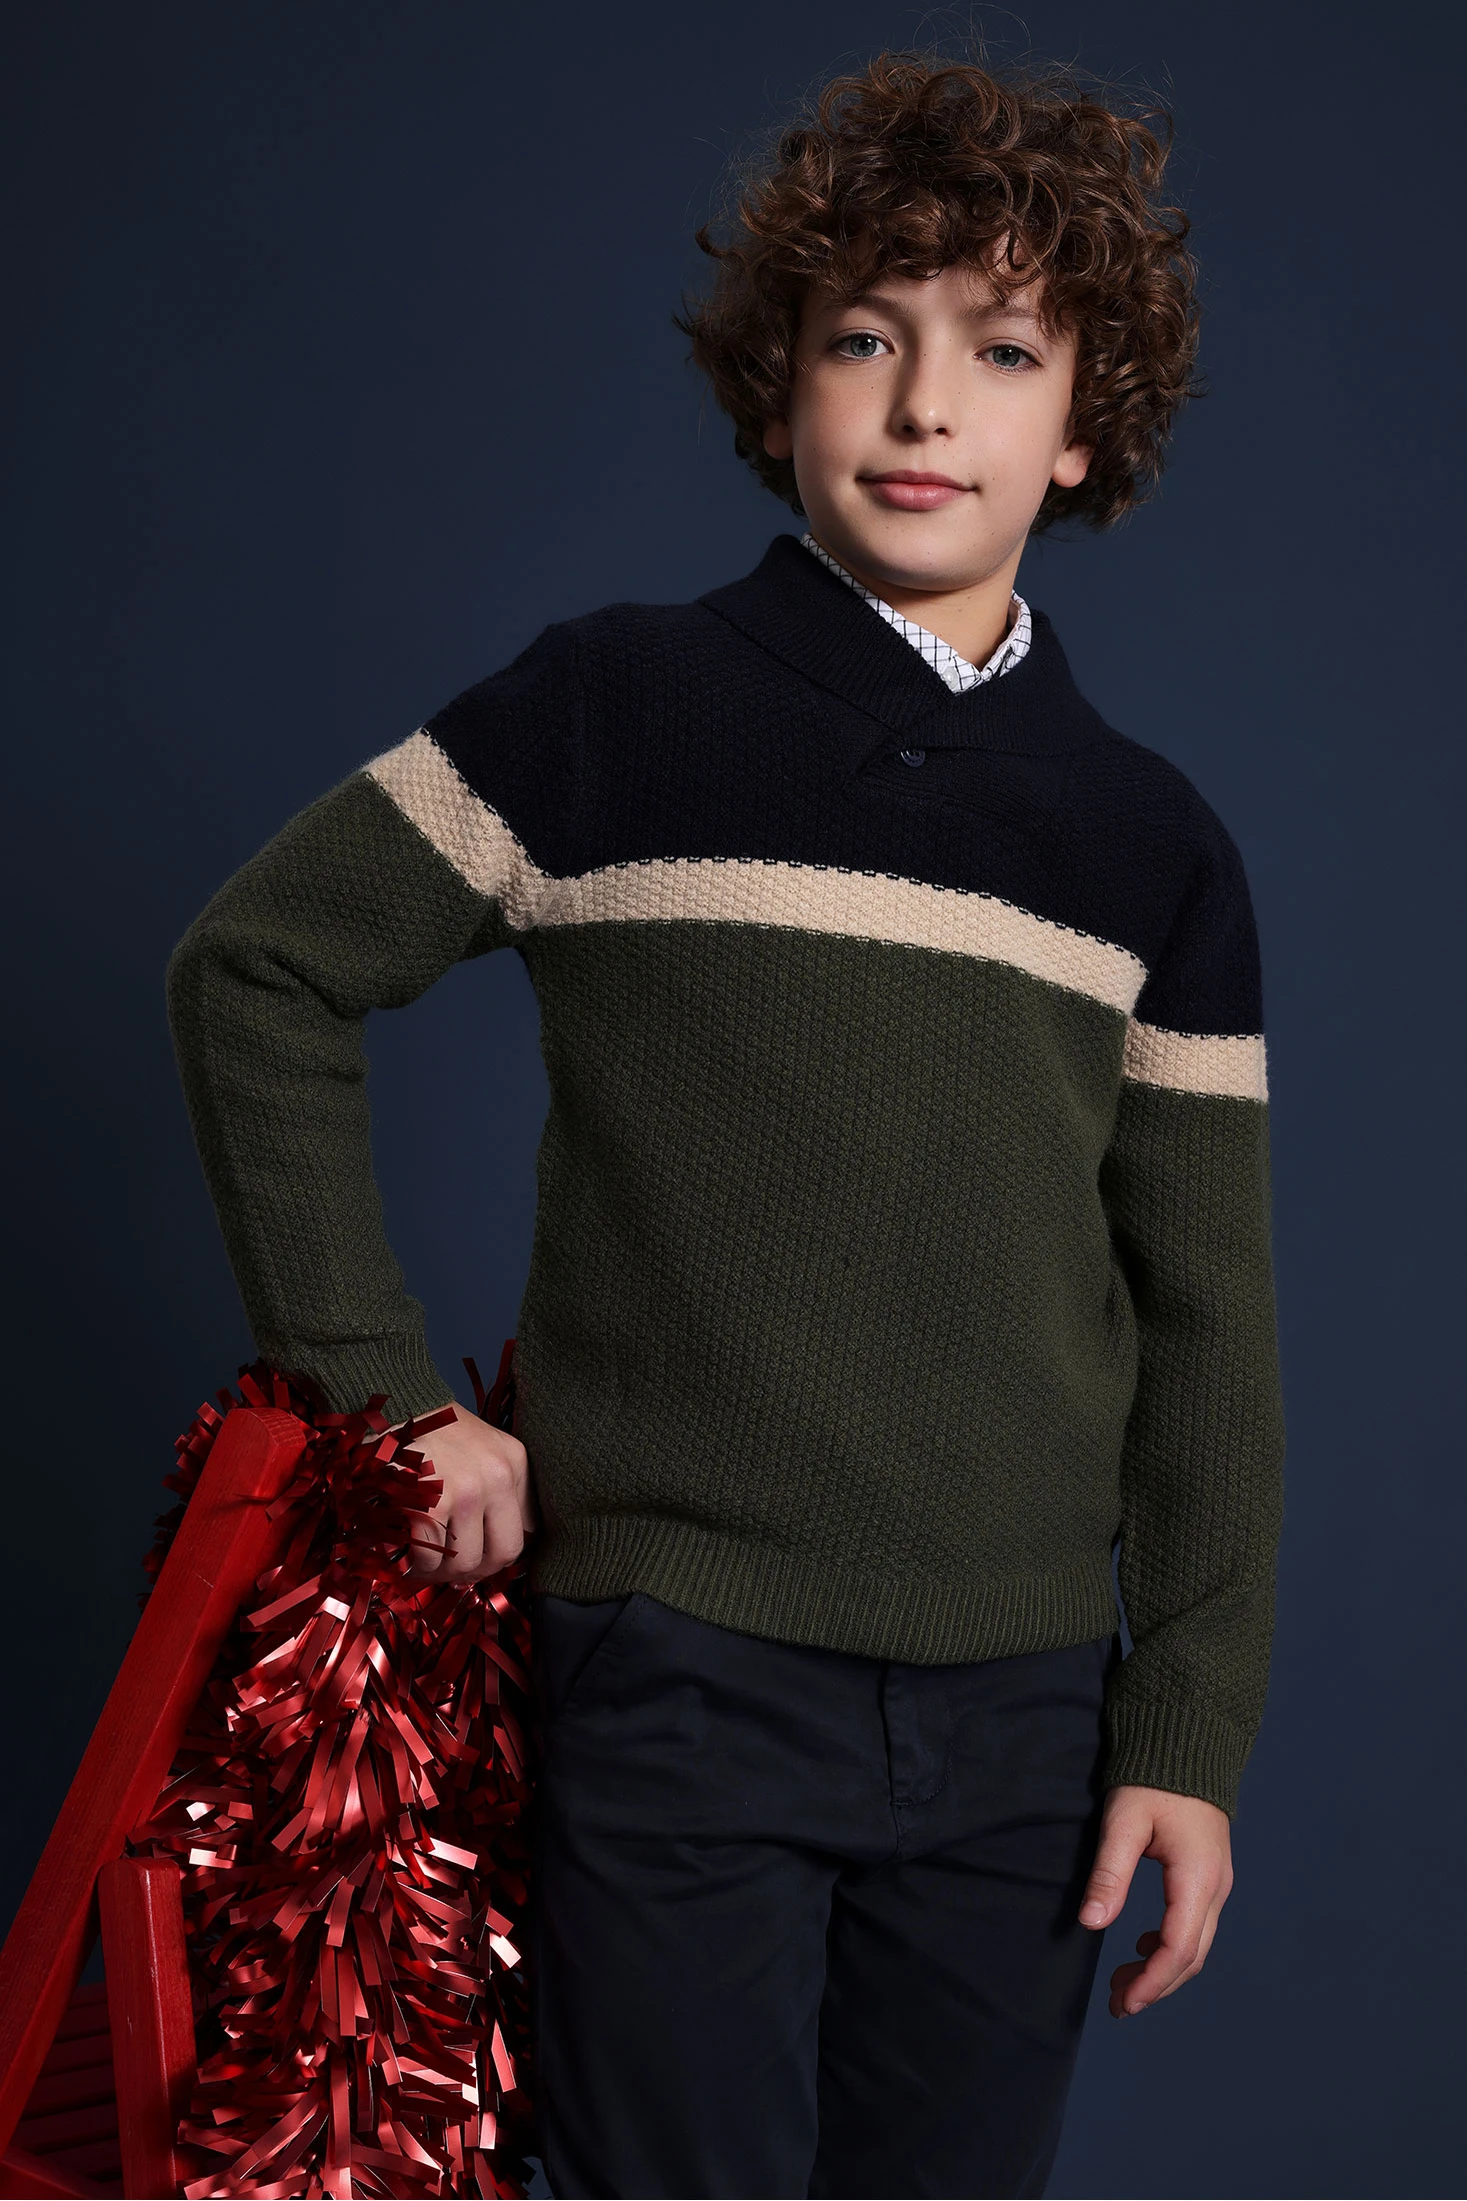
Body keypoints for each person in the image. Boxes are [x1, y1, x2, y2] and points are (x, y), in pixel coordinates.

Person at [166, 48, 1285, 2201]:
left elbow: (1211, 1325)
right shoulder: (613, 708)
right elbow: (258, 968)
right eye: (862, 337)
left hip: (1027, 1719)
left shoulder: (1154, 848)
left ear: (1085, 426)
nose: (923, 405)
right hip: (677, 1665)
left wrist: (1187, 1730)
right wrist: (384, 1396)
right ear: (779, 386)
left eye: (1001, 350)